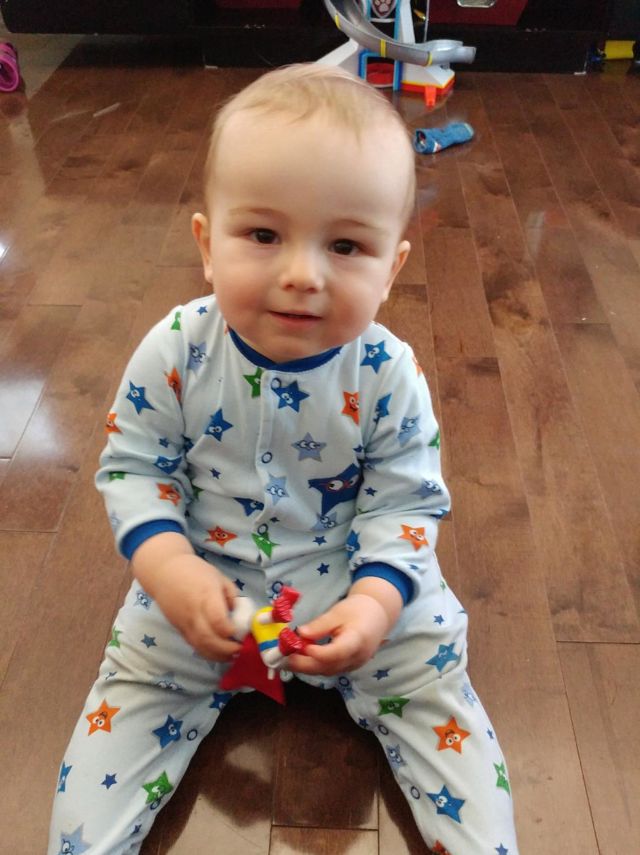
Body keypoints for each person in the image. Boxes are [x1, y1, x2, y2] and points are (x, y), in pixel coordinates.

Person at [48, 63, 519, 855]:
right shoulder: (175, 349)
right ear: (207, 245)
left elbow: (405, 502)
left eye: (346, 245)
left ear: (392, 268)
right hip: (205, 593)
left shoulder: (387, 372)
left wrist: (376, 604)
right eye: (264, 236)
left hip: (355, 586)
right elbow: (135, 467)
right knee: (124, 708)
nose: (303, 274)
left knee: (433, 680)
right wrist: (170, 570)